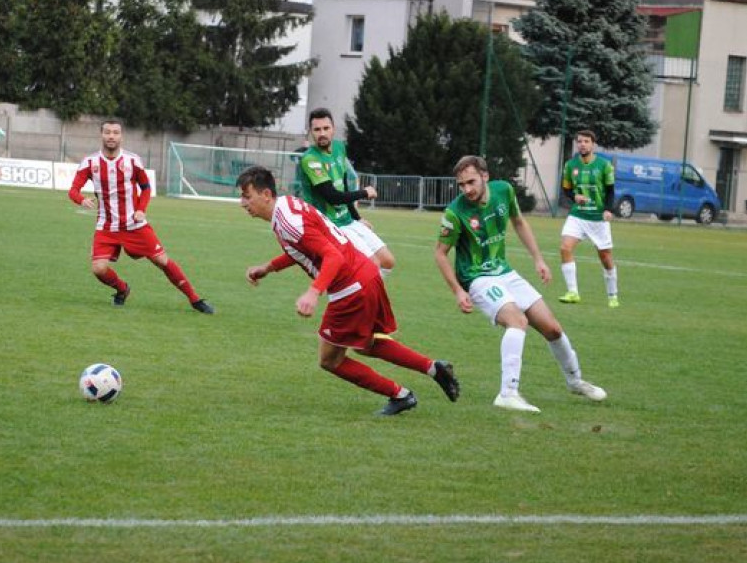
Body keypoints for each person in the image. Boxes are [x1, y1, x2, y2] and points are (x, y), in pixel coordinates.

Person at [237, 165, 458, 416]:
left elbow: (332, 256)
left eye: (247, 196)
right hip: (366, 274)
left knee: (330, 360)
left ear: (266, 194)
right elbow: (307, 249)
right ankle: (433, 368)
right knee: (366, 345)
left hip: (350, 286)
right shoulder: (288, 205)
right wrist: (268, 268)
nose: (242, 203)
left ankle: (401, 395)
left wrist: (314, 291)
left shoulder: (288, 222)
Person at [433, 155, 606, 413]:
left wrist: (538, 260)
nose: (466, 189)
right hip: (477, 278)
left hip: (505, 271)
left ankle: (575, 381)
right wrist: (458, 291)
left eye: (470, 182)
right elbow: (439, 253)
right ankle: (508, 393)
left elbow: (519, 222)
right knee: (518, 321)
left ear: (485, 176)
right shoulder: (455, 212)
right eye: (461, 185)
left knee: (553, 329)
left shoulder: (504, 191)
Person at [68, 120, 214, 314]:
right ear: (101, 135)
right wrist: (81, 199)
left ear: (121, 136)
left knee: (162, 261)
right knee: (98, 269)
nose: (111, 136)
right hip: (106, 226)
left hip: (134, 225)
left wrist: (141, 209)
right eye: (107, 132)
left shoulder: (132, 160)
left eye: (116, 132)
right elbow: (73, 190)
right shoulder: (90, 162)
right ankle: (122, 289)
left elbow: (145, 187)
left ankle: (195, 299)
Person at [297, 108, 395, 275]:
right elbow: (332, 196)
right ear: (310, 132)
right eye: (317, 129)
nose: (322, 133)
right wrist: (364, 192)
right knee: (372, 266)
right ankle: (363, 296)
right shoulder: (310, 159)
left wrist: (357, 218)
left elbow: (343, 186)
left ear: (333, 129)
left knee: (388, 262)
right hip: (329, 226)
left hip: (348, 220)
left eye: (326, 128)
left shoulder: (339, 148)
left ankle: (363, 292)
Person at [558, 129, 619, 308]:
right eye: (579, 141)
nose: (582, 144)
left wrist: (608, 209)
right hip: (578, 216)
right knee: (565, 247)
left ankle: (612, 294)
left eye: (586, 141)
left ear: (593, 144)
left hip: (598, 218)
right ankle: (573, 292)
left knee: (606, 257)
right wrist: (574, 197)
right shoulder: (570, 165)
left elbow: (610, 191)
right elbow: (566, 189)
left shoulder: (604, 165)